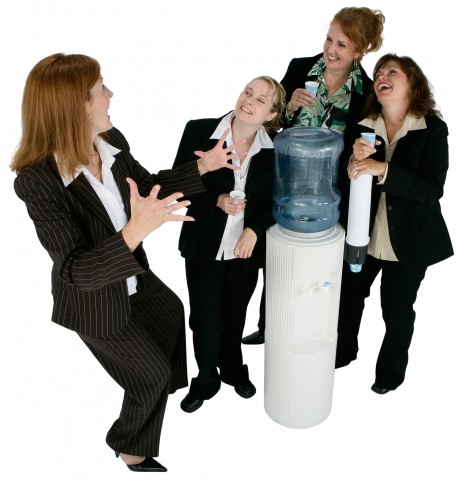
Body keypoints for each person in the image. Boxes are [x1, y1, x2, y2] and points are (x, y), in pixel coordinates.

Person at [11, 53, 243, 472]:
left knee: (171, 312)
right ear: (75, 106)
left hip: (132, 276)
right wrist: (136, 230)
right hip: (93, 298)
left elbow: (149, 187)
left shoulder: (111, 142)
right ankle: (129, 445)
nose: (110, 94)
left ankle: (155, 391)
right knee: (150, 375)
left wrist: (202, 167)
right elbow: (76, 270)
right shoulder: (37, 181)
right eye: (101, 89)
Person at [243, 6, 386, 345]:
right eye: (329, 39)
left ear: (359, 51)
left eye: (342, 45)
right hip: (284, 183)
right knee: (277, 257)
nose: (331, 50)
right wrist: (289, 106)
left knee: (317, 269)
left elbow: (363, 146)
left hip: (328, 194)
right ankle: (269, 326)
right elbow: (268, 121)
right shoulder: (298, 68)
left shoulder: (365, 93)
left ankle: (308, 332)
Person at [335, 54, 454, 394]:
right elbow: (347, 182)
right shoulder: (363, 125)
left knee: (396, 309)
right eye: (378, 73)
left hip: (409, 240)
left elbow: (432, 189)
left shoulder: (432, 128)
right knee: (347, 297)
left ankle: (390, 374)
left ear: (412, 83)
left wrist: (383, 170)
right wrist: (353, 163)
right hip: (364, 234)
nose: (381, 76)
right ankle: (344, 354)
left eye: (392, 72)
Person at [172, 76, 285, 413]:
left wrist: (254, 229)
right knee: (204, 318)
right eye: (247, 92)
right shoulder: (199, 131)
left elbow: (278, 200)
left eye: (261, 100)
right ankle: (205, 380)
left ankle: (234, 370)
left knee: (235, 315)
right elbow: (178, 185)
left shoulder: (276, 149)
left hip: (244, 250)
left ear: (271, 114)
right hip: (204, 244)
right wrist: (216, 201)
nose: (249, 101)